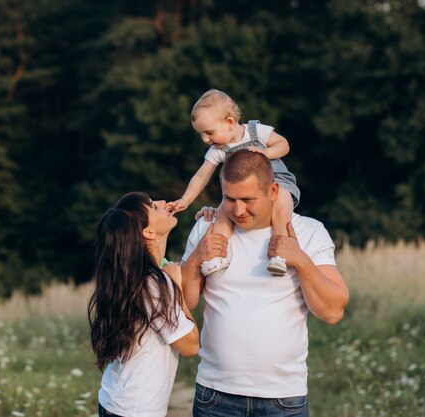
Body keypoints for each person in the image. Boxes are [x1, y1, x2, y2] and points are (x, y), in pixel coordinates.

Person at [180, 150, 349, 417]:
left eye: (248, 199)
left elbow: (333, 311)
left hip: (283, 398)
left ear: (272, 190)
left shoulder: (309, 231)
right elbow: (185, 303)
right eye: (229, 199)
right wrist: (195, 260)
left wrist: (301, 260)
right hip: (215, 394)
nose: (238, 210)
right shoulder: (206, 230)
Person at [88, 192, 200, 417]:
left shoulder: (133, 275)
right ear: (148, 232)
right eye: (153, 206)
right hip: (135, 410)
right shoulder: (155, 284)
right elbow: (191, 347)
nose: (162, 202)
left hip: (115, 400)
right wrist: (175, 289)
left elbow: (158, 256)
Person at [167, 89, 300, 277]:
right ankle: (218, 256)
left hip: (277, 181)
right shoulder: (219, 149)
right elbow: (201, 176)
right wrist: (186, 199)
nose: (205, 139)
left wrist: (266, 154)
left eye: (209, 132)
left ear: (229, 122)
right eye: (201, 135)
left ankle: (279, 255)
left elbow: (283, 144)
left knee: (281, 209)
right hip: (239, 194)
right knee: (222, 212)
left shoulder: (256, 131)